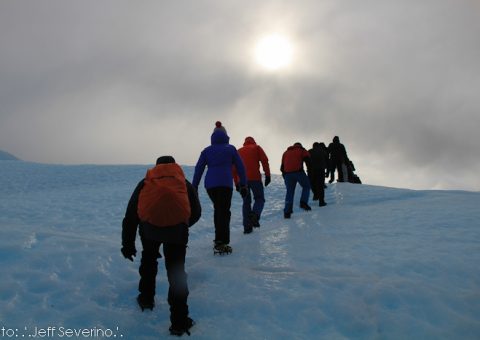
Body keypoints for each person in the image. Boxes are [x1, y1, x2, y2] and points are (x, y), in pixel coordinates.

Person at [121, 156, 201, 336]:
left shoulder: (146, 182)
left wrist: (128, 245)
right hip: (177, 233)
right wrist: (182, 225)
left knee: (149, 261)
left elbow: (131, 216)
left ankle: (146, 299)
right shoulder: (183, 183)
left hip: (149, 230)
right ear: (174, 165)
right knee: (176, 273)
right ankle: (179, 322)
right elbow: (196, 211)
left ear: (157, 166)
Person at [192, 124, 247, 254]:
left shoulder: (206, 150)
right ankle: (221, 241)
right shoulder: (231, 149)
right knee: (224, 211)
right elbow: (241, 167)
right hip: (225, 184)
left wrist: (194, 186)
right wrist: (243, 184)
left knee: (219, 209)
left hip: (210, 185)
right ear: (225, 135)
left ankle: (219, 240)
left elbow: (199, 168)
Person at [234, 136, 271, 234]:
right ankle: (255, 214)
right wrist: (267, 175)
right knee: (259, 199)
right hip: (255, 178)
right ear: (253, 141)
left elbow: (233, 167)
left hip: (243, 180)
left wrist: (236, 183)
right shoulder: (257, 148)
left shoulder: (238, 151)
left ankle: (247, 228)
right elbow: (264, 160)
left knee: (246, 202)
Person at [280, 142, 312, 218]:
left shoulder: (286, 152)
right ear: (300, 145)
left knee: (289, 191)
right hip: (299, 172)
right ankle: (303, 202)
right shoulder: (301, 150)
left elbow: (282, 167)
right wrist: (310, 173)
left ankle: (287, 211)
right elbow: (308, 161)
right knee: (306, 186)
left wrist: (285, 176)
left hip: (288, 174)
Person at [308, 142, 328, 206]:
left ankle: (316, 194)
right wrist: (327, 170)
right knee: (320, 185)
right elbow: (327, 160)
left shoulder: (309, 151)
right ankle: (321, 202)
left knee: (312, 183)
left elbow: (306, 160)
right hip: (321, 170)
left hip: (312, 170)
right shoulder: (322, 151)